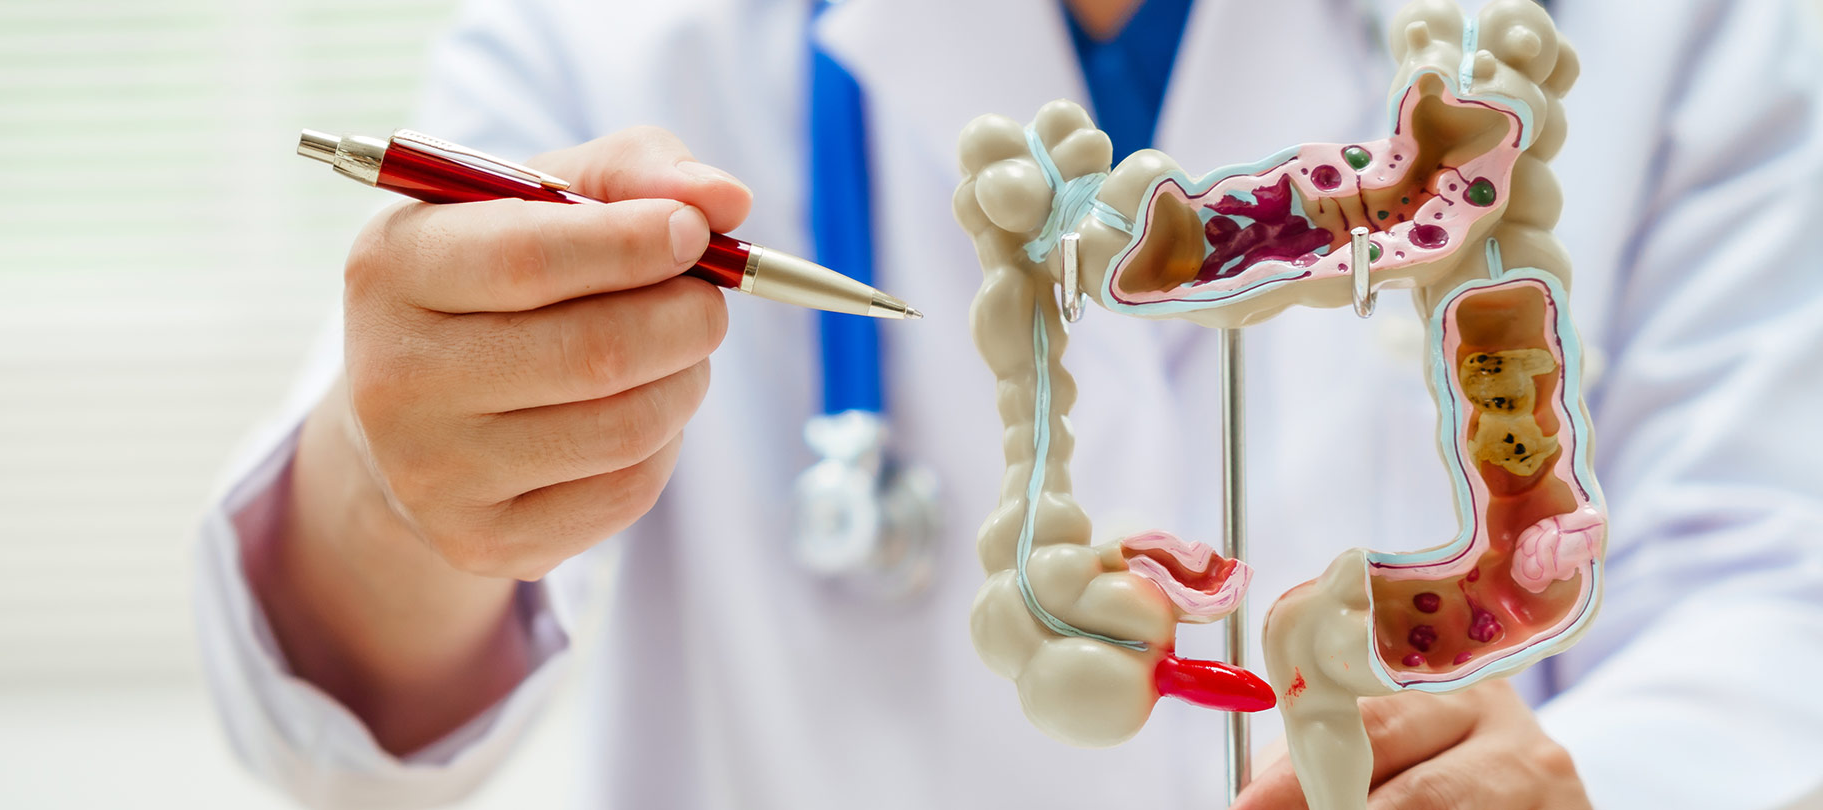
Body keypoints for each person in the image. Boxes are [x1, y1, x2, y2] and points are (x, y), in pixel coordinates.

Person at [195, 0, 1823, 806]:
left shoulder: (1684, 31)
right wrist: (407, 479)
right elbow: (338, 696)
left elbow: (1779, 590)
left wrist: (1604, 776)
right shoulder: (612, 34)